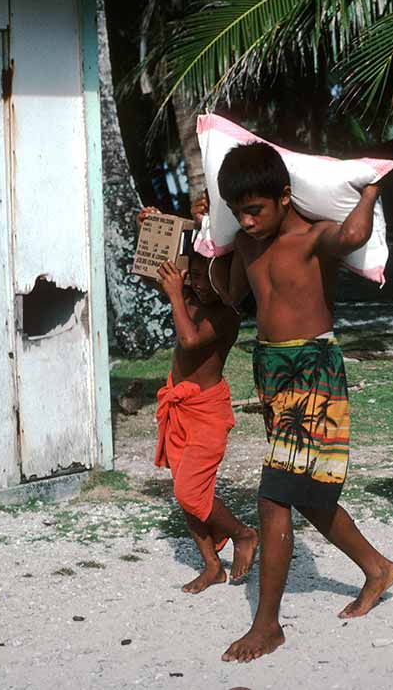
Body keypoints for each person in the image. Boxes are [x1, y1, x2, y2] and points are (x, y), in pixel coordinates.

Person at [199, 143, 393, 662]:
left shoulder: (312, 238)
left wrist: (371, 186)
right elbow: (230, 295)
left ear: (285, 197)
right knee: (306, 493)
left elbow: (354, 234)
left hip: (313, 369)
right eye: (238, 212)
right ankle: (378, 568)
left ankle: (267, 626)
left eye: (256, 210)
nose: (247, 220)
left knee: (274, 497)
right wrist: (211, 243)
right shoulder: (247, 244)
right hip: (270, 367)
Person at [137, 207, 258, 594]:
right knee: (190, 493)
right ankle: (211, 566)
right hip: (178, 404)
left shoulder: (226, 315)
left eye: (212, 277)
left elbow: (190, 339)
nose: (201, 285)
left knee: (189, 492)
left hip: (206, 410)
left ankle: (243, 534)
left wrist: (176, 293)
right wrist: (151, 228)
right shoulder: (188, 292)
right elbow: (157, 271)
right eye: (196, 273)